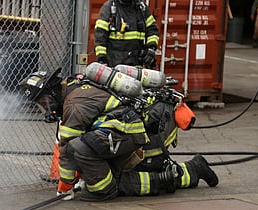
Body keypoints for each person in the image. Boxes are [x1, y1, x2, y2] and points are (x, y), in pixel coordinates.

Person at [18, 68, 218, 202]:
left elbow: (67, 147)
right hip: (123, 133)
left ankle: (103, 190)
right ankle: (195, 168)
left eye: (43, 102)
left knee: (80, 150)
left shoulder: (74, 104)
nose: (45, 108)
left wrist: (64, 188)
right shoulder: (76, 85)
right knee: (135, 174)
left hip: (128, 133)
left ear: (52, 93)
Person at [94, 0, 160, 68]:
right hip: (114, 64)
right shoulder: (109, 8)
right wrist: (101, 58)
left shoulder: (141, 8)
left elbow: (152, 30)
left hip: (137, 64)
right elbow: (100, 36)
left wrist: (151, 48)